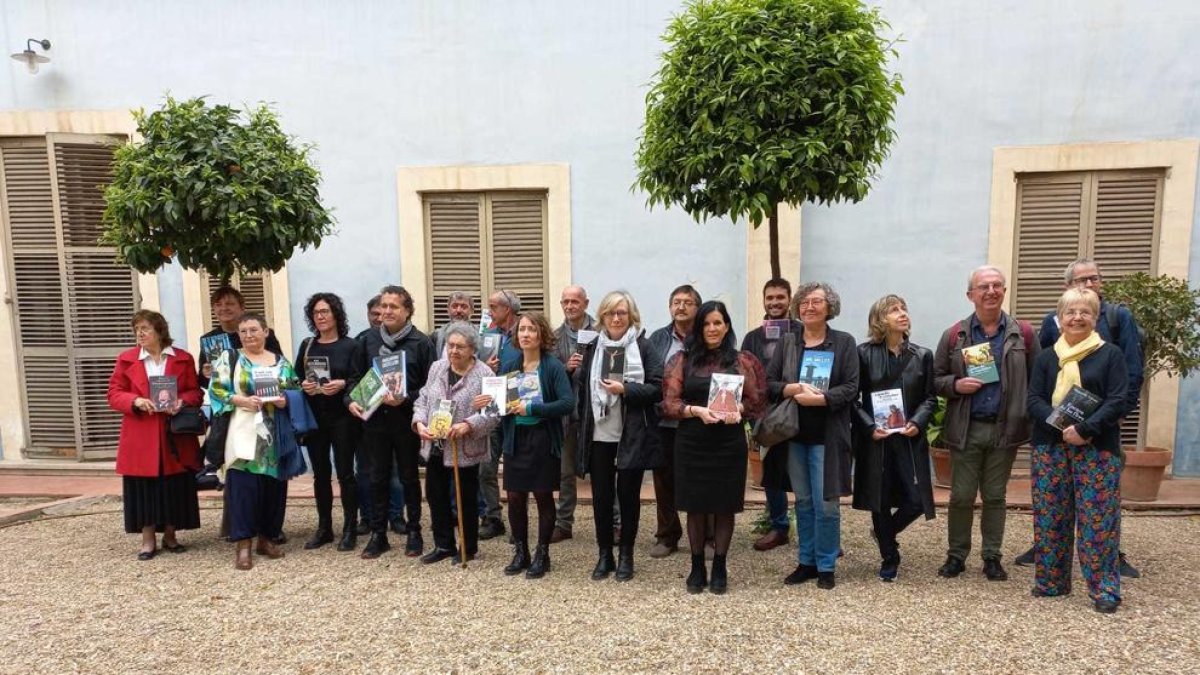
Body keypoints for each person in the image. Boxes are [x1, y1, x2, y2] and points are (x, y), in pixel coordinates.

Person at [1014, 257, 1144, 577]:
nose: (1087, 286)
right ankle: (1052, 574)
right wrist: (1061, 426)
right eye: (1079, 281)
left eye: (1093, 279)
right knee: (1052, 512)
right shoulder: (1049, 337)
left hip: (1098, 433)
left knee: (1099, 512)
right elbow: (1040, 388)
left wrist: (1100, 422)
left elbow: (1130, 374)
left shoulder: (1117, 323)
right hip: (1054, 438)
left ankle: (1108, 566)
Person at [933, 265, 1038, 582]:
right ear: (971, 295)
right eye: (984, 287)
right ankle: (956, 556)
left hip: (1005, 428)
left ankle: (992, 557)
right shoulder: (955, 335)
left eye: (997, 286)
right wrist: (955, 385)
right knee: (961, 496)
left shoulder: (1024, 334)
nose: (991, 291)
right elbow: (935, 380)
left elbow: (1037, 381)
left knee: (994, 496)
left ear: (1004, 291)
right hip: (967, 426)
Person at [1027, 287, 1128, 613]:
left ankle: (1104, 589)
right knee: (1050, 517)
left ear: (1095, 318)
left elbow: (1118, 400)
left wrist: (1085, 430)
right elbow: (1033, 400)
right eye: (1071, 312)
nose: (1077, 317)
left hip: (1096, 448)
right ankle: (1051, 582)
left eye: (1085, 312)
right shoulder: (1046, 357)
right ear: (1059, 319)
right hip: (1050, 446)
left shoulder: (1110, 355)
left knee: (1098, 521)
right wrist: (1059, 426)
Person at [663, 300, 766, 594]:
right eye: (706, 323)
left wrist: (740, 411)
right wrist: (695, 411)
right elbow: (669, 403)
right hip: (692, 441)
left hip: (727, 442)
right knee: (695, 506)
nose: (712, 328)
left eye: (717, 322)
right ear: (699, 327)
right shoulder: (682, 360)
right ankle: (697, 565)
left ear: (727, 326)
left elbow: (757, 398)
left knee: (724, 506)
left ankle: (719, 564)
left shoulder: (741, 360)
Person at [765, 282, 859, 590]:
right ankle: (806, 562)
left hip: (827, 436)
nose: (809, 307)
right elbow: (771, 384)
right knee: (803, 501)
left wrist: (822, 400)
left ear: (829, 307)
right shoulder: (789, 342)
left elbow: (851, 386)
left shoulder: (844, 343)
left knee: (827, 504)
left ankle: (827, 564)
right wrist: (792, 389)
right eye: (804, 302)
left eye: (816, 302)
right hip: (794, 434)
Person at [574, 291, 663, 581]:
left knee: (628, 498)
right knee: (600, 498)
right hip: (598, 434)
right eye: (611, 312)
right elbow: (581, 388)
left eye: (621, 313)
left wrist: (626, 390)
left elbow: (657, 388)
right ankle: (604, 555)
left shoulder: (643, 346)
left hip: (630, 434)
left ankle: (626, 554)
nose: (615, 318)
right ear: (602, 316)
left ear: (631, 316)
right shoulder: (591, 346)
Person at [851, 295, 937, 582]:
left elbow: (929, 398)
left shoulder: (922, 355)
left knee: (916, 500)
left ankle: (883, 533)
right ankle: (890, 555)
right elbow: (853, 398)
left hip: (909, 437)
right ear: (879, 319)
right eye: (894, 310)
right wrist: (867, 426)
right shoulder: (863, 354)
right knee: (880, 498)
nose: (902, 314)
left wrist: (917, 421)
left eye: (903, 309)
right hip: (876, 438)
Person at [348, 285, 436, 559]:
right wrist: (351, 401)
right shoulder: (367, 341)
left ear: (407, 311)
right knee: (377, 477)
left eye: (393, 307)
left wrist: (406, 399)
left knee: (409, 478)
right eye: (384, 306)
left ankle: (414, 532)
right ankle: (378, 534)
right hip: (374, 423)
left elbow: (431, 387)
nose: (386, 311)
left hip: (407, 423)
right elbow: (354, 379)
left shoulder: (421, 343)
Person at [107, 310, 203, 560]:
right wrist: (135, 400)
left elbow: (196, 392)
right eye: (137, 329)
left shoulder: (182, 358)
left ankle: (171, 535)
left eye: (145, 328)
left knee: (173, 484)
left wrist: (181, 401)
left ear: (159, 330)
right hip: (141, 433)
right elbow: (114, 394)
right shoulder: (126, 359)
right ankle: (147, 539)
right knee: (144, 487)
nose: (140, 333)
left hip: (174, 433)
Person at [208, 313, 299, 570]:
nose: (249, 335)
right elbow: (216, 388)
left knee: (274, 489)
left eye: (254, 330)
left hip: (274, 434)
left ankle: (267, 538)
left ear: (266, 332)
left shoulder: (281, 362)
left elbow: (295, 389)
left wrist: (285, 400)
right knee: (242, 489)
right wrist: (241, 400)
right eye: (244, 331)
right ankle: (243, 545)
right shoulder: (230, 358)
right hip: (243, 430)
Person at [196, 285, 284, 542]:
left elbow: (278, 366)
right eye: (219, 305)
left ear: (242, 307)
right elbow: (206, 385)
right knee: (236, 470)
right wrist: (205, 375)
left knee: (265, 471)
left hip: (264, 412)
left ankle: (266, 530)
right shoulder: (208, 340)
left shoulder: (261, 337)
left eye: (230, 304)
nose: (224, 309)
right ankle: (237, 529)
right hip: (230, 416)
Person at [412, 322, 500, 564]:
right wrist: (419, 423)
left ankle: (468, 547)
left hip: (465, 448)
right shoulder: (437, 367)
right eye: (450, 346)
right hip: (436, 443)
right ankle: (443, 545)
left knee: (466, 499)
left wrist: (469, 424)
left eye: (460, 347)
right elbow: (422, 399)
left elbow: (494, 414)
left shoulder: (485, 374)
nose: (453, 351)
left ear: (473, 349)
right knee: (435, 495)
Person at [497, 311, 575, 579]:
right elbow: (502, 405)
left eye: (531, 329)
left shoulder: (552, 366)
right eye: (522, 330)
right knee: (515, 498)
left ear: (542, 334)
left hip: (543, 439)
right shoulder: (510, 365)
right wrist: (491, 403)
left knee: (543, 496)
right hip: (516, 439)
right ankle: (521, 552)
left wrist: (533, 406)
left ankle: (543, 554)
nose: (526, 334)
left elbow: (567, 403)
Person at [294, 293, 364, 552]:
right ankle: (324, 528)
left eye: (325, 311)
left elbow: (359, 377)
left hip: (343, 417)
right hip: (315, 416)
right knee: (320, 474)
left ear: (336, 314)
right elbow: (295, 377)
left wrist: (343, 383)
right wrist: (305, 385)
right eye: (316, 313)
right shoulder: (307, 345)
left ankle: (350, 528)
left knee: (345, 473)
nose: (321, 316)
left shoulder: (351, 346)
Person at [739, 277, 797, 551]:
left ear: (790, 299)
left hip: (798, 409)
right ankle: (779, 526)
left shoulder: (801, 331)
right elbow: (743, 374)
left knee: (804, 470)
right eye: (770, 297)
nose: (774, 302)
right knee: (771, 473)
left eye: (780, 297)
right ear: (763, 300)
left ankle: (815, 530)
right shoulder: (752, 337)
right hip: (764, 415)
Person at [646, 284, 702, 559]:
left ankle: (706, 536)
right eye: (676, 302)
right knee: (664, 479)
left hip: (698, 420)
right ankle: (667, 535)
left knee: (700, 479)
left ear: (697, 307)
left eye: (687, 302)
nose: (681, 307)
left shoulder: (708, 334)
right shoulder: (657, 338)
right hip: (664, 421)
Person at [355, 294, 405, 537]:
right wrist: (353, 399)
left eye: (384, 311)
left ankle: (396, 516)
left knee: (396, 473)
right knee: (367, 472)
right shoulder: (362, 341)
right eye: (375, 313)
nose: (380, 316)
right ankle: (369, 518)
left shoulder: (408, 341)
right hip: (369, 419)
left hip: (398, 417)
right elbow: (355, 376)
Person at [551, 285, 596, 543]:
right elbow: (552, 376)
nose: (570, 306)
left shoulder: (601, 333)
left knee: (602, 471)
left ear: (585, 303)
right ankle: (564, 523)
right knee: (565, 471)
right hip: (568, 414)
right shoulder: (555, 338)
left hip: (596, 413)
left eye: (575, 301)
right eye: (565, 301)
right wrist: (566, 369)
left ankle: (613, 521)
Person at [478, 289, 522, 541]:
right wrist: (487, 367)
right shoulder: (488, 335)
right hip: (492, 407)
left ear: (508, 309)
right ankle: (493, 517)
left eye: (493, 307)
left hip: (516, 407)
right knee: (486, 467)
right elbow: (476, 367)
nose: (489, 311)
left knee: (516, 469)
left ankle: (519, 522)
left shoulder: (525, 331)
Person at [433, 292, 474, 356]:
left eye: (464, 307)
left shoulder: (480, 335)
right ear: (448, 310)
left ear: (472, 310)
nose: (458, 311)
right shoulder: (437, 335)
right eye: (454, 306)